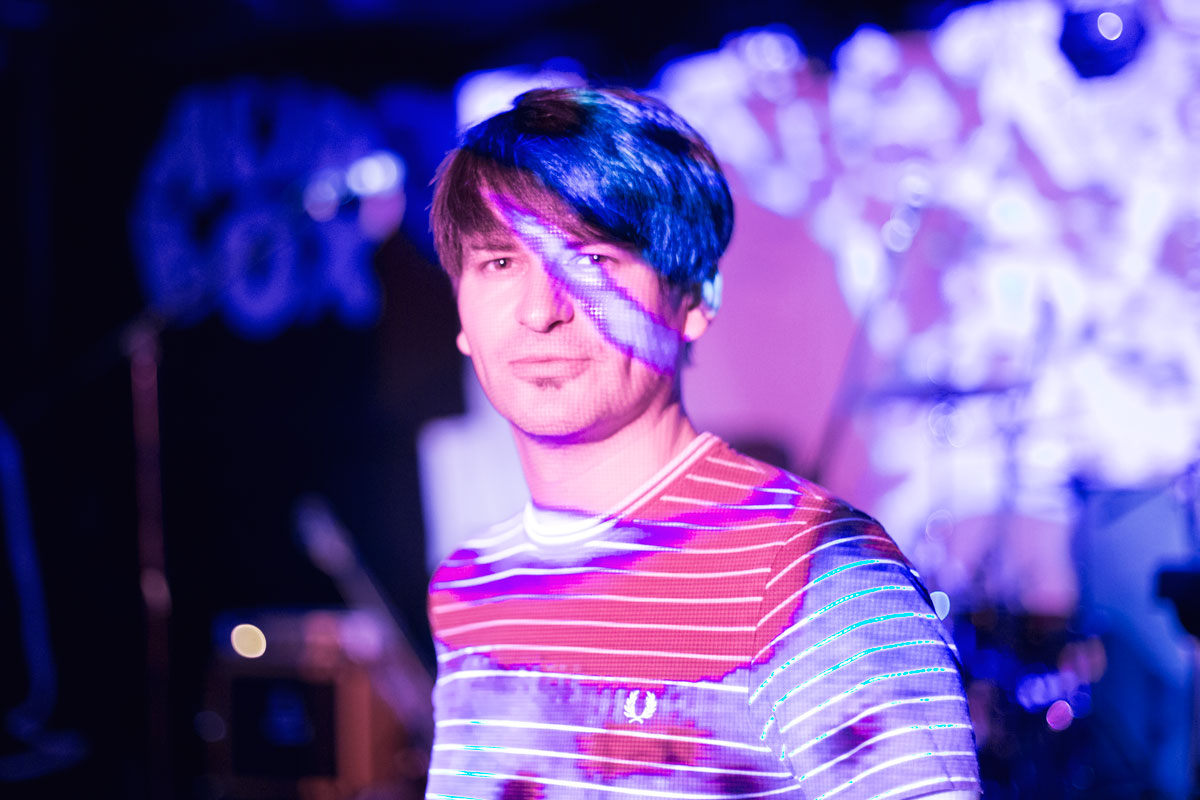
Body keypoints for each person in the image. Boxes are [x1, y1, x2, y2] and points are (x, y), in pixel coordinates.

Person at [425, 86, 980, 800]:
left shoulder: (809, 572)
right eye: (500, 263)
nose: (540, 311)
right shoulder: (475, 584)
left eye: (593, 260)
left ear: (695, 301)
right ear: (463, 310)